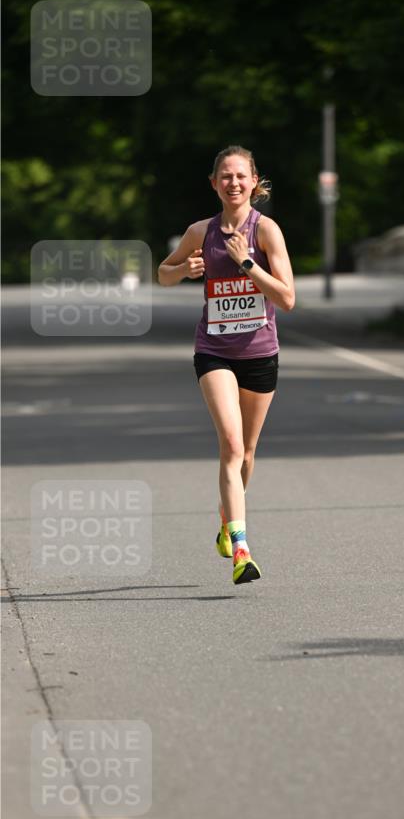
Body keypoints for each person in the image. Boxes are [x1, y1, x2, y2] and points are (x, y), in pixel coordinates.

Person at [158, 145, 295, 584]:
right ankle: (241, 548)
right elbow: (163, 271)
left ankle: (224, 521)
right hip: (214, 350)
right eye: (225, 176)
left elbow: (287, 298)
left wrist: (247, 262)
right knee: (232, 447)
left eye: (241, 176)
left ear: (254, 182)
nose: (233, 183)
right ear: (214, 183)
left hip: (260, 353)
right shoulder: (201, 231)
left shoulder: (266, 231)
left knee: (248, 453)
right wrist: (185, 270)